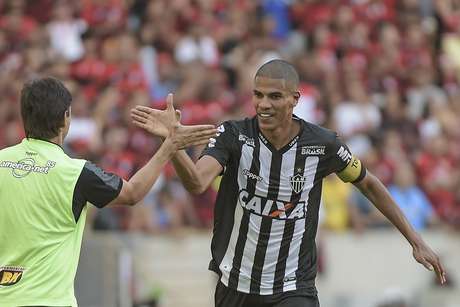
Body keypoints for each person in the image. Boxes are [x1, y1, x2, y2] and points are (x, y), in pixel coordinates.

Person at [131, 59, 446, 307]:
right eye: (258, 95)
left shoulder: (322, 144)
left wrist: (415, 239)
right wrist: (173, 145)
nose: (263, 104)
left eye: (274, 96)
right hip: (235, 284)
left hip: (294, 286)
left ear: (295, 99)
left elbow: (369, 184)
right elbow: (197, 183)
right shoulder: (233, 135)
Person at [0, 77, 216, 307]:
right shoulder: (75, 172)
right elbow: (133, 192)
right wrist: (169, 146)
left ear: (24, 116)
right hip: (50, 301)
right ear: (66, 118)